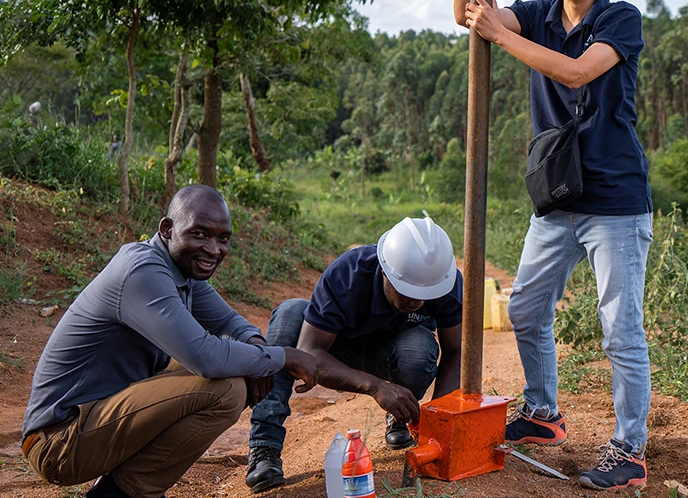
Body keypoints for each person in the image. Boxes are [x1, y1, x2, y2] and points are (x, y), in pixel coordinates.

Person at [455, 0, 653, 492]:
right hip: (557, 198)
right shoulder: (538, 13)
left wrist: (500, 35)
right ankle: (543, 414)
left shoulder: (620, 18)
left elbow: (574, 74)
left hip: (615, 202)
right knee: (526, 307)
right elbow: (469, 12)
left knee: (620, 327)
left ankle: (629, 448)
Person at [21, 185, 321, 498]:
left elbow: (229, 323)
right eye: (200, 234)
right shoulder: (143, 270)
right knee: (225, 388)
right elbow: (206, 357)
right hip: (59, 443)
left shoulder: (181, 271)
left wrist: (260, 353)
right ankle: (122, 492)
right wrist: (283, 357)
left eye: (223, 238)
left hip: (93, 423)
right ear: (167, 229)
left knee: (232, 367)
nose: (214, 249)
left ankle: (124, 485)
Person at [245, 217, 463, 493]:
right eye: (407, 291)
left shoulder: (443, 282)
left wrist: (436, 428)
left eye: (424, 295)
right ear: (385, 271)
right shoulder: (348, 273)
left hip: (393, 351)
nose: (417, 302)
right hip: (338, 351)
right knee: (289, 313)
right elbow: (309, 351)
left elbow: (455, 351)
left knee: (419, 350)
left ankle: (401, 416)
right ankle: (264, 448)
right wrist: (376, 386)